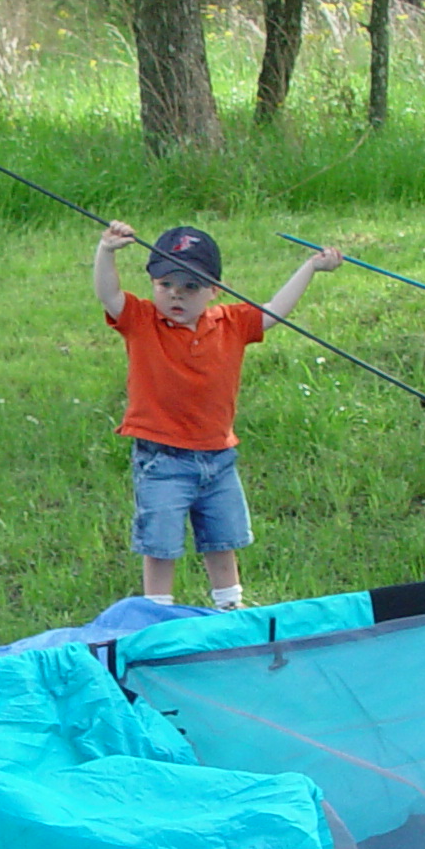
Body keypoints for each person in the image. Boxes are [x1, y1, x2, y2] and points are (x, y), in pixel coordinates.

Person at [92, 221, 342, 609]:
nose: (176, 295)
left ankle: (229, 605)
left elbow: (274, 311)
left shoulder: (232, 323)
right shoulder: (142, 321)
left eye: (190, 286)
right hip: (162, 459)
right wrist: (106, 251)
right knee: (160, 543)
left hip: (219, 458)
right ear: (153, 286)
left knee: (222, 539)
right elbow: (108, 294)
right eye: (165, 285)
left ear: (214, 290)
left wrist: (310, 267)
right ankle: (156, 611)